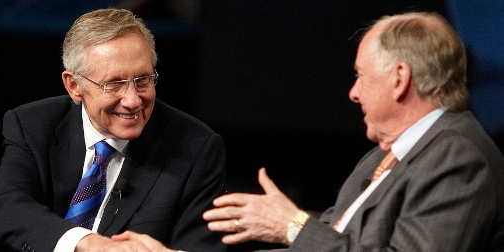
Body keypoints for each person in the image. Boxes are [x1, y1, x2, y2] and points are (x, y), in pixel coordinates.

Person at [202, 12, 504, 251]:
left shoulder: (458, 156)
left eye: (360, 75)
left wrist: (293, 226)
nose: (353, 93)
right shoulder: (381, 158)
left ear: (399, 79)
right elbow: (333, 240)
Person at [0, 8, 226, 252]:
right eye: (114, 84)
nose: (132, 101)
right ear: (74, 85)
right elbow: (7, 207)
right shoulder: (33, 125)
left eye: (143, 80)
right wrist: (86, 243)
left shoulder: (196, 149)